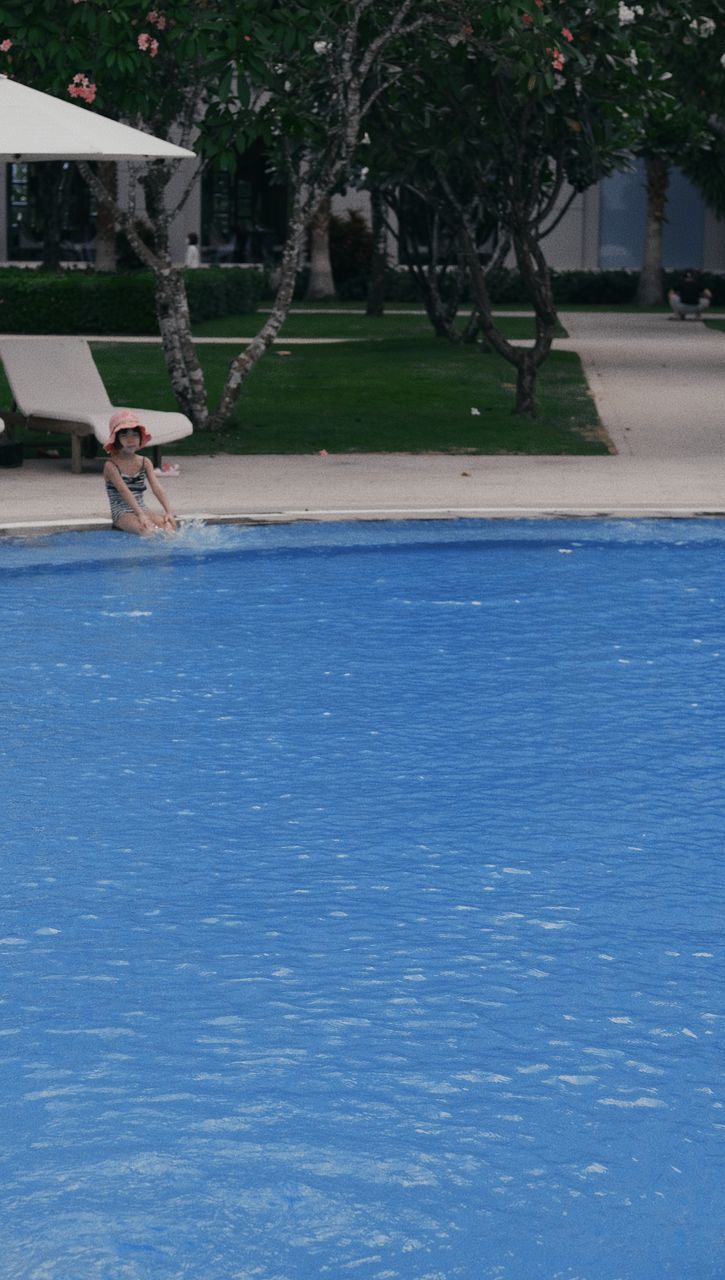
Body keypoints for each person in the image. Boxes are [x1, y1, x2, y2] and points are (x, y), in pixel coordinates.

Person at [103, 410, 177, 535]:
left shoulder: (145, 462)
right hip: (122, 512)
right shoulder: (111, 466)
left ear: (140, 437)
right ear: (116, 440)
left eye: (135, 435)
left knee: (168, 528)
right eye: (124, 435)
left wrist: (168, 512)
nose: (130, 440)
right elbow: (124, 491)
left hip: (142, 508)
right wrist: (141, 515)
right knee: (147, 531)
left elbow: (157, 488)